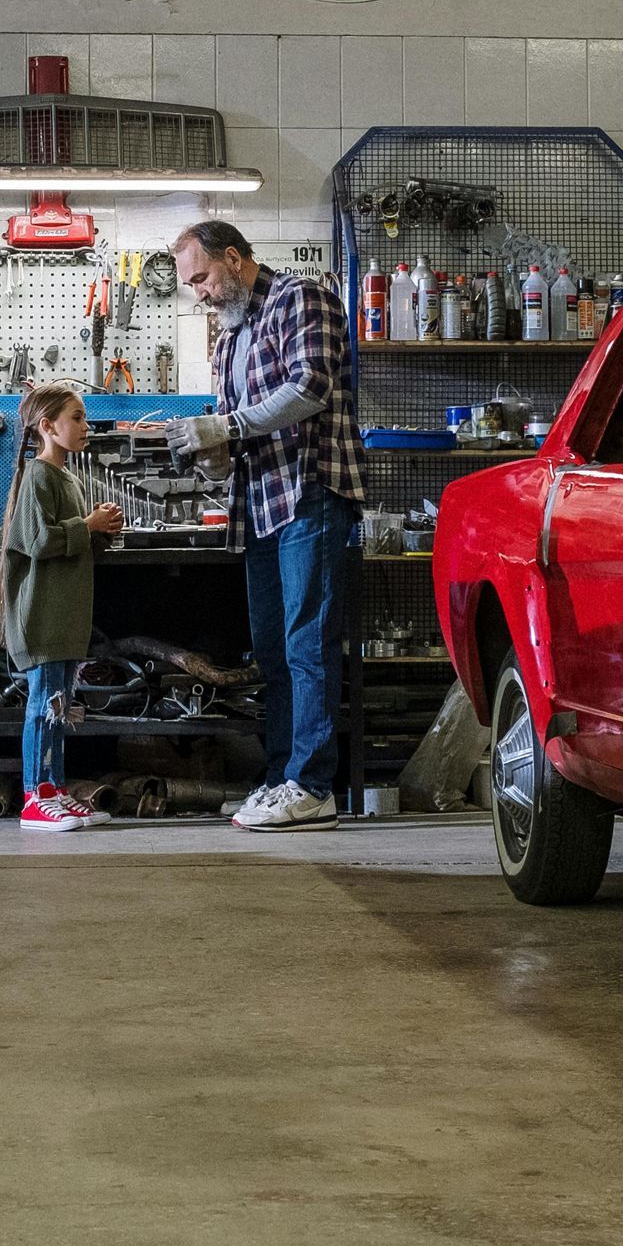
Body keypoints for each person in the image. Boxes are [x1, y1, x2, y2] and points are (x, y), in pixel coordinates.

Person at [169, 221, 368, 829]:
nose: (197, 292)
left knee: (308, 644)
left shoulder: (301, 299)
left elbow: (308, 387)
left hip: (309, 494)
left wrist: (225, 430)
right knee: (274, 651)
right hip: (258, 505)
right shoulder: (228, 339)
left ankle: (313, 785)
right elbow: (234, 429)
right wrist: (212, 457)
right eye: (189, 285)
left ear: (233, 259)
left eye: (201, 277)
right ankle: (283, 778)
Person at [0, 384, 124, 832]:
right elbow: (38, 541)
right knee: (44, 706)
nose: (86, 426)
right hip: (44, 617)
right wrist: (86, 524)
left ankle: (54, 789)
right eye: (77, 418)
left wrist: (99, 531)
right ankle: (36, 796)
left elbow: (67, 542)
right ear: (48, 427)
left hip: (65, 617)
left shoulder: (67, 477)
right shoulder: (38, 475)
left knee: (59, 706)